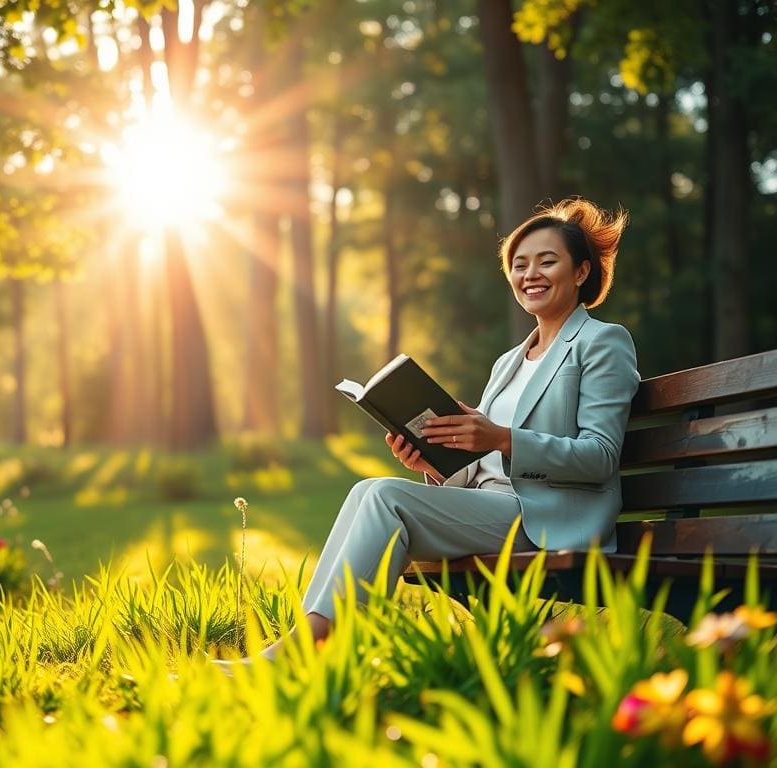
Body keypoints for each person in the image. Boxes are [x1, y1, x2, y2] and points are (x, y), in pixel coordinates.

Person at [220, 197, 640, 666]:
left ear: (581, 273)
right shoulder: (508, 362)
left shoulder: (602, 342)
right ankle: (323, 647)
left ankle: (305, 650)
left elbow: (601, 455)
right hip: (498, 510)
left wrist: (501, 437)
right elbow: (479, 465)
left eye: (547, 261)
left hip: (549, 519)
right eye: (520, 265)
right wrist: (432, 466)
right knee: (369, 491)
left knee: (382, 497)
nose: (530, 274)